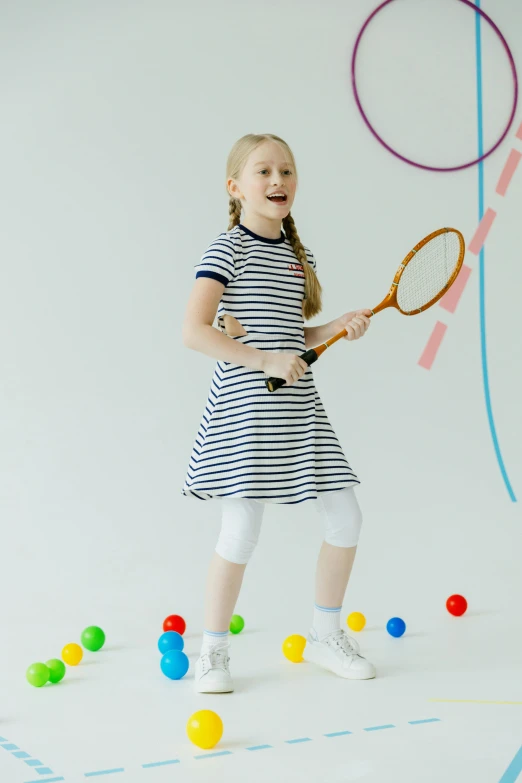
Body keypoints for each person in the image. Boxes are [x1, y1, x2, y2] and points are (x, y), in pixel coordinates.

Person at [181, 133, 374, 693]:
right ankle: (212, 652)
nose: (278, 181)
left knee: (346, 518)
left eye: (286, 171)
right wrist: (263, 358)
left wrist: (336, 326)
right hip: (244, 414)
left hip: (298, 412)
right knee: (240, 531)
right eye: (263, 171)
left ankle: (324, 634)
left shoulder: (298, 255)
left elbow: (294, 336)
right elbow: (194, 332)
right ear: (235, 188)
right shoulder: (225, 250)